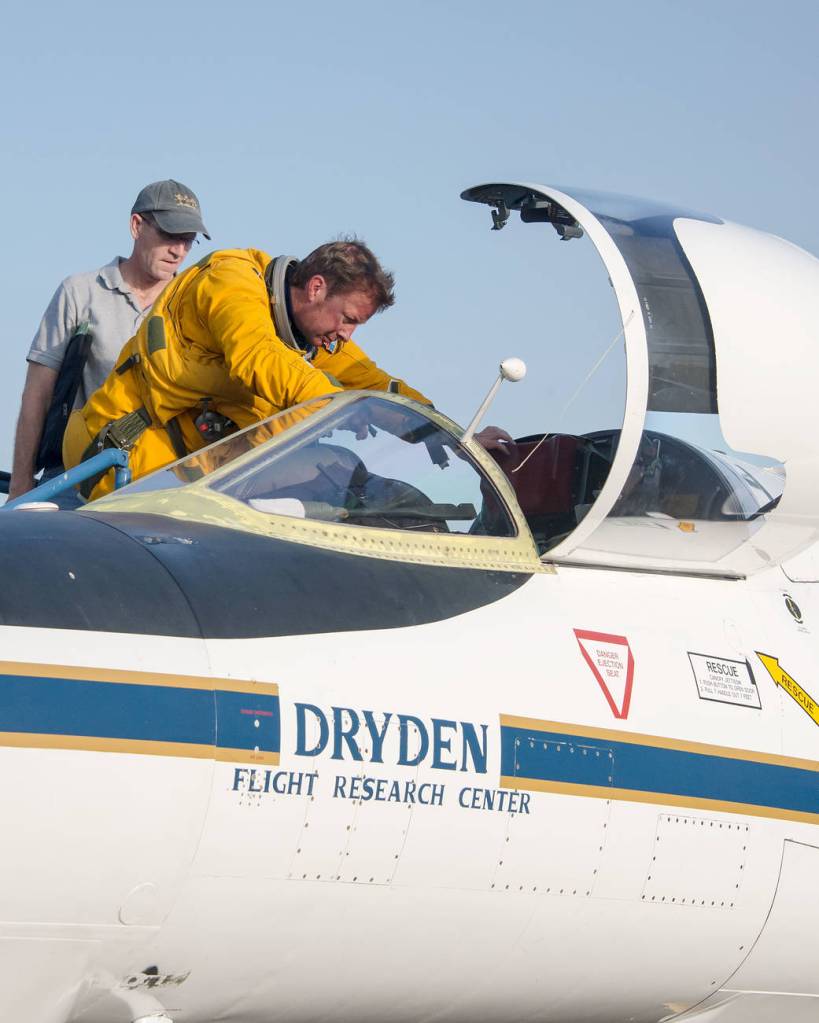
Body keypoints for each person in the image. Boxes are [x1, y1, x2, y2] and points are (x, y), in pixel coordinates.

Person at [63, 240, 432, 500]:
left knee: (350, 480)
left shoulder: (305, 335)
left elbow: (372, 380)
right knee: (333, 473)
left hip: (189, 477)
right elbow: (257, 356)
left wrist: (434, 429)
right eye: (348, 319)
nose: (346, 335)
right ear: (316, 288)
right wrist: (340, 407)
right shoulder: (231, 281)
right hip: (120, 461)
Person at [8, 179, 209, 501]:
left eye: (188, 240)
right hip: (77, 474)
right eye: (170, 235)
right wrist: (20, 486)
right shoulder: (80, 292)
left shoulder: (195, 306)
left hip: (162, 486)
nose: (178, 251)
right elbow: (37, 393)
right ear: (136, 226)